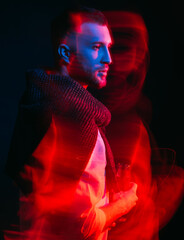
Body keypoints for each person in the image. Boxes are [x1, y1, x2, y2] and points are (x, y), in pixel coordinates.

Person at [5, 5, 138, 240]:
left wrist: (108, 199)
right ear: (66, 54)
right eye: (96, 47)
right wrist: (123, 205)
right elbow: (78, 226)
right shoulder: (73, 116)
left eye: (108, 47)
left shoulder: (48, 101)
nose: (108, 59)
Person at [91, 11, 184, 240]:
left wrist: (155, 199)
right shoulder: (74, 115)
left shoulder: (134, 122)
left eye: (122, 48)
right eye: (104, 47)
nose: (113, 60)